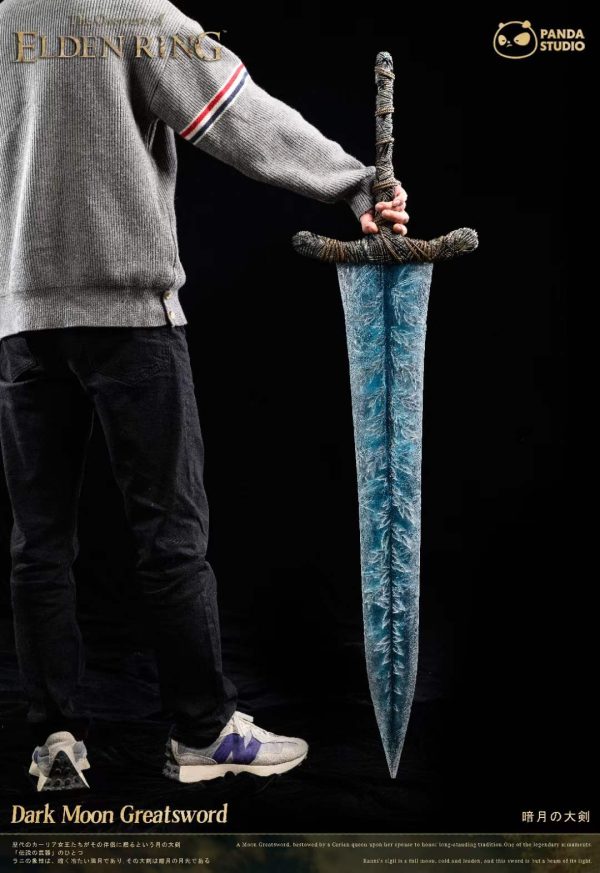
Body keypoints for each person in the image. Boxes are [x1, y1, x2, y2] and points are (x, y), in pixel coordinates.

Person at [0, 0, 409, 792]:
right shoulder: (133, 12)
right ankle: (202, 731)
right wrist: (355, 183)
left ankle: (54, 735)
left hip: (21, 317)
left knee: (38, 542)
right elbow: (236, 115)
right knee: (170, 537)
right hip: (129, 312)